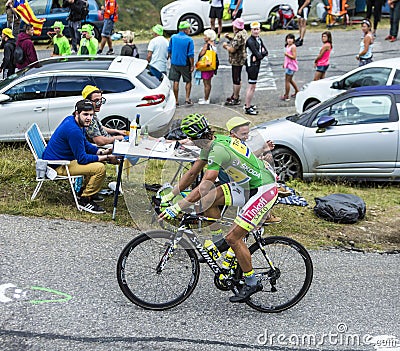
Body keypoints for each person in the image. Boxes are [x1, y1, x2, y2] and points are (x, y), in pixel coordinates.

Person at [159, 114, 278, 303]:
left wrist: (178, 207)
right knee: (209, 200)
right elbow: (192, 173)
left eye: (190, 138)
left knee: (234, 237)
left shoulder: (218, 150)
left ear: (196, 138)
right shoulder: (212, 143)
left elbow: (205, 183)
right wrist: (170, 195)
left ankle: (251, 281)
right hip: (247, 185)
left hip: (263, 188)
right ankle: (218, 242)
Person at [42, 99, 119, 214]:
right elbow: (82, 159)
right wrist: (108, 157)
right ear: (77, 113)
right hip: (57, 166)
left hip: (62, 160)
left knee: (99, 163)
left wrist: (102, 152)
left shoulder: (73, 121)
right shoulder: (74, 130)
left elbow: (85, 144)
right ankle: (84, 200)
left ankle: (86, 192)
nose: (89, 118)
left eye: (91, 115)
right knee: (100, 168)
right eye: (85, 114)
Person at [168, 20, 195, 106]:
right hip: (185, 63)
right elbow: (190, 54)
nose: (189, 30)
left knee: (176, 81)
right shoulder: (189, 40)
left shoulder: (173, 37)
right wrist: (192, 65)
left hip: (175, 63)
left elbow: (169, 50)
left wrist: (172, 58)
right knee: (188, 81)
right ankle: (187, 99)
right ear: (185, 30)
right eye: (188, 29)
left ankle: (176, 100)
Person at [243, 21, 268, 116]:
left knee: (253, 86)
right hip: (251, 66)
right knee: (251, 86)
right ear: (251, 30)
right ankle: (247, 107)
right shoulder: (250, 41)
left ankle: (248, 104)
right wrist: (260, 54)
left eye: (257, 29)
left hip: (256, 64)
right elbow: (260, 54)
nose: (256, 31)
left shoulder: (258, 39)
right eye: (254, 30)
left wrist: (260, 54)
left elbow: (266, 52)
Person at [222, 18, 247, 106]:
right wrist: (230, 38)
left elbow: (233, 49)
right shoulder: (243, 32)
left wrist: (226, 46)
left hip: (237, 59)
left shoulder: (239, 36)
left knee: (236, 79)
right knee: (237, 77)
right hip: (240, 58)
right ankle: (235, 94)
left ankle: (235, 97)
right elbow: (237, 42)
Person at [197, 29, 217, 105]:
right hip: (211, 65)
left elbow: (201, 53)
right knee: (208, 83)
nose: (204, 37)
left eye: (205, 36)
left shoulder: (207, 45)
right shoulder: (213, 44)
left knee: (206, 83)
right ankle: (206, 97)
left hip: (206, 66)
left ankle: (206, 99)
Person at [281, 33, 299, 101]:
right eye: (288, 38)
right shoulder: (287, 46)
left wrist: (287, 54)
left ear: (293, 40)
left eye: (291, 39)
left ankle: (286, 95)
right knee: (290, 80)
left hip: (291, 66)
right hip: (288, 65)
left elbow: (294, 57)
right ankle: (297, 91)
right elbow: (286, 58)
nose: (289, 40)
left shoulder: (293, 47)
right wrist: (284, 63)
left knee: (287, 81)